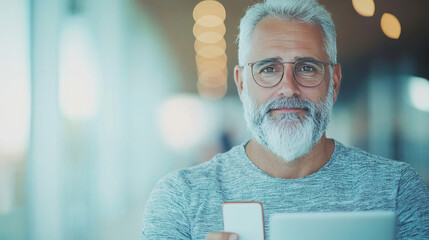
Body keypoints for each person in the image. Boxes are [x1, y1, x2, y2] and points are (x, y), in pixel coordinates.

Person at [141, 0, 429, 239]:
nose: (288, 87)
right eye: (268, 69)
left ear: (335, 83)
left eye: (307, 68)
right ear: (242, 85)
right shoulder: (180, 198)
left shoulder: (398, 190)